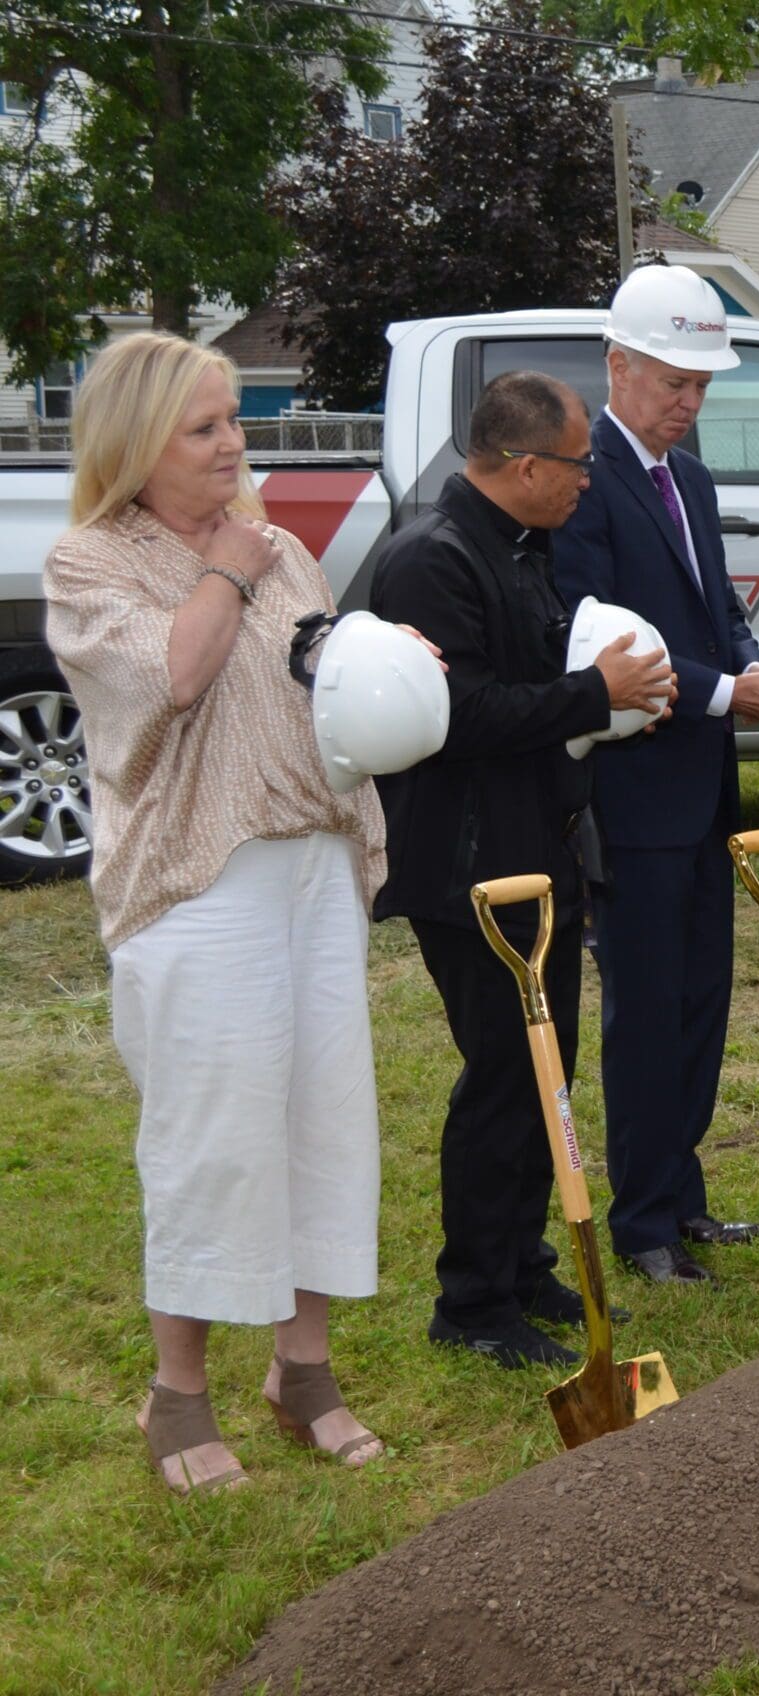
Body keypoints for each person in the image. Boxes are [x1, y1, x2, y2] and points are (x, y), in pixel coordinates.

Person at [44, 332, 390, 1492]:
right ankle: (178, 1398)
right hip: (196, 883)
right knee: (213, 1139)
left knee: (323, 1120)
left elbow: (321, 679)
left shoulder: (284, 549)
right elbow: (173, 675)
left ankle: (304, 1373)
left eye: (234, 419)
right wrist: (228, 568)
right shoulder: (90, 562)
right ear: (137, 443)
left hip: (312, 864)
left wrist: (386, 666)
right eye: (204, 427)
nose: (233, 443)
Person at [369, 372, 676, 1369]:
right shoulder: (433, 558)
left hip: (539, 851)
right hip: (467, 866)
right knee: (504, 1075)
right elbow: (455, 715)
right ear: (525, 463)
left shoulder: (520, 544)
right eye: (579, 464)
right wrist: (596, 694)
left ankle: (521, 1261)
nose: (589, 480)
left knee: (548, 1071)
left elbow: (540, 682)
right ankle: (471, 1301)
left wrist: (615, 703)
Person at [551, 266, 759, 1285]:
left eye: (701, 385)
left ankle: (681, 1193)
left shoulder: (687, 478)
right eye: (673, 382)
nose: (689, 402)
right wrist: (723, 692)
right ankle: (642, 1220)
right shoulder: (585, 480)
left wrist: (749, 666)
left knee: (702, 998)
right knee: (648, 1009)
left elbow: (713, 612)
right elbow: (591, 636)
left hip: (699, 785)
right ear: (617, 366)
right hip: (635, 787)